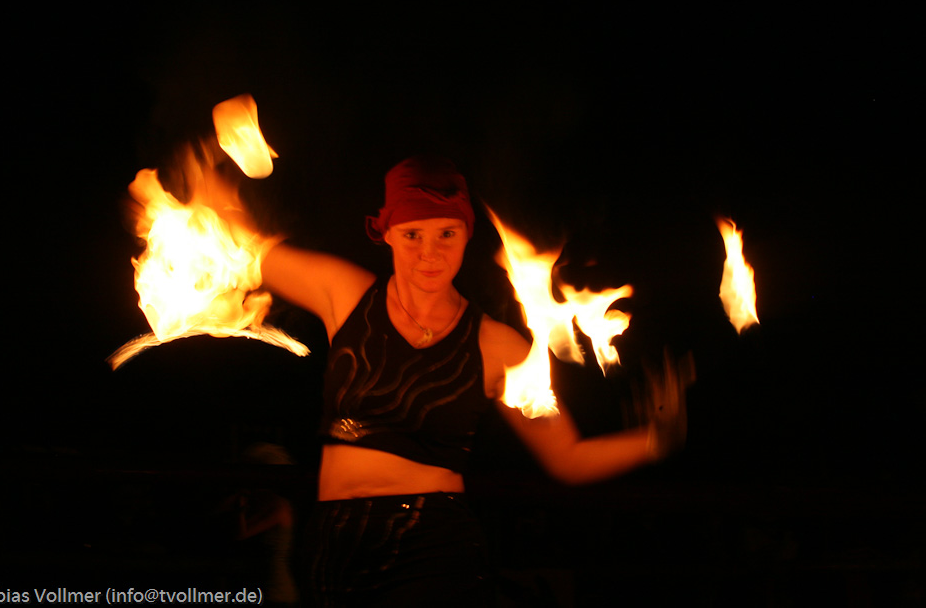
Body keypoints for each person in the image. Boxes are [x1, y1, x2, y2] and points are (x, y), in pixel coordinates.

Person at [205, 155, 687, 606]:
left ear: (467, 235)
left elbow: (568, 457)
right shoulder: (345, 293)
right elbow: (246, 250)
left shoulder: (497, 346)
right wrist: (210, 178)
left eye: (447, 234)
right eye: (412, 234)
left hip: (430, 549)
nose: (429, 253)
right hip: (331, 546)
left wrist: (656, 439)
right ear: (387, 233)